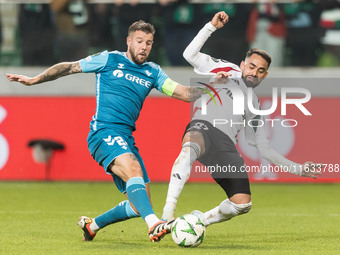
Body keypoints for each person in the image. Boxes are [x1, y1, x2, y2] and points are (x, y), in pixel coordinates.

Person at [6, 20, 207, 243]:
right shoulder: (109, 59)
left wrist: (211, 87)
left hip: (126, 138)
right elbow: (69, 67)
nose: (144, 47)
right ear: (129, 41)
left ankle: (93, 225)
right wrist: (35, 80)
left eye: (149, 43)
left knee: (139, 204)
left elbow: (183, 93)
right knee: (133, 169)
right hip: (103, 132)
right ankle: (154, 225)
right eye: (140, 41)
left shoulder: (153, 72)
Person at [162, 12, 322, 227]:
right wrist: (211, 26)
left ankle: (197, 221)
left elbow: (264, 149)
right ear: (242, 65)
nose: (254, 72)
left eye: (260, 70)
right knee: (190, 147)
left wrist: (298, 169)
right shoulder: (225, 69)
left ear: (265, 76)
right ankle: (167, 214)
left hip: (226, 145)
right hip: (204, 126)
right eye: (251, 66)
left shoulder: (254, 105)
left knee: (242, 204)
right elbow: (189, 54)